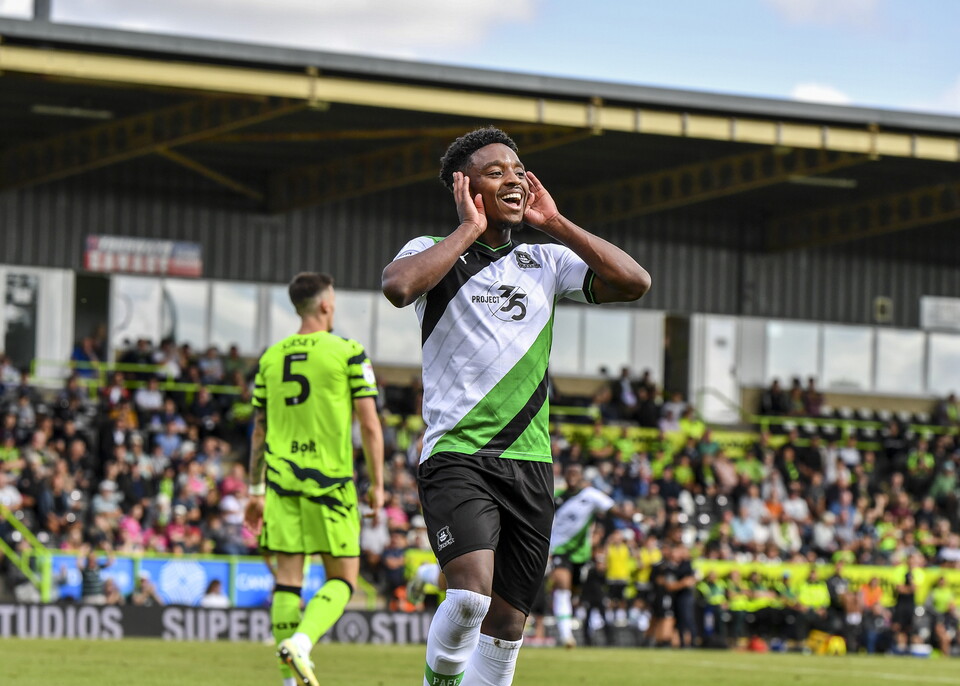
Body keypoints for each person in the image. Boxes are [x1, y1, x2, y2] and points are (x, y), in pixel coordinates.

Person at [382, 126, 650, 686]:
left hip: (530, 463)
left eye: (517, 168)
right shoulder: (429, 251)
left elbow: (634, 282)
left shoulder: (545, 260)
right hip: (458, 454)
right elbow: (399, 287)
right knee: (468, 598)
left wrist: (556, 223)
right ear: (465, 186)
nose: (513, 178)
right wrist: (468, 228)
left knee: (506, 630)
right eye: (495, 171)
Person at [244, 272, 385, 686]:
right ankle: (302, 644)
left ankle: (289, 681)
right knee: (343, 579)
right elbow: (370, 425)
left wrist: (255, 490)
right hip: (330, 485)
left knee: (287, 582)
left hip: (280, 486)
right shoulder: (348, 352)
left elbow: (259, 430)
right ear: (325, 305)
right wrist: (378, 484)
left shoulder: (270, 358)